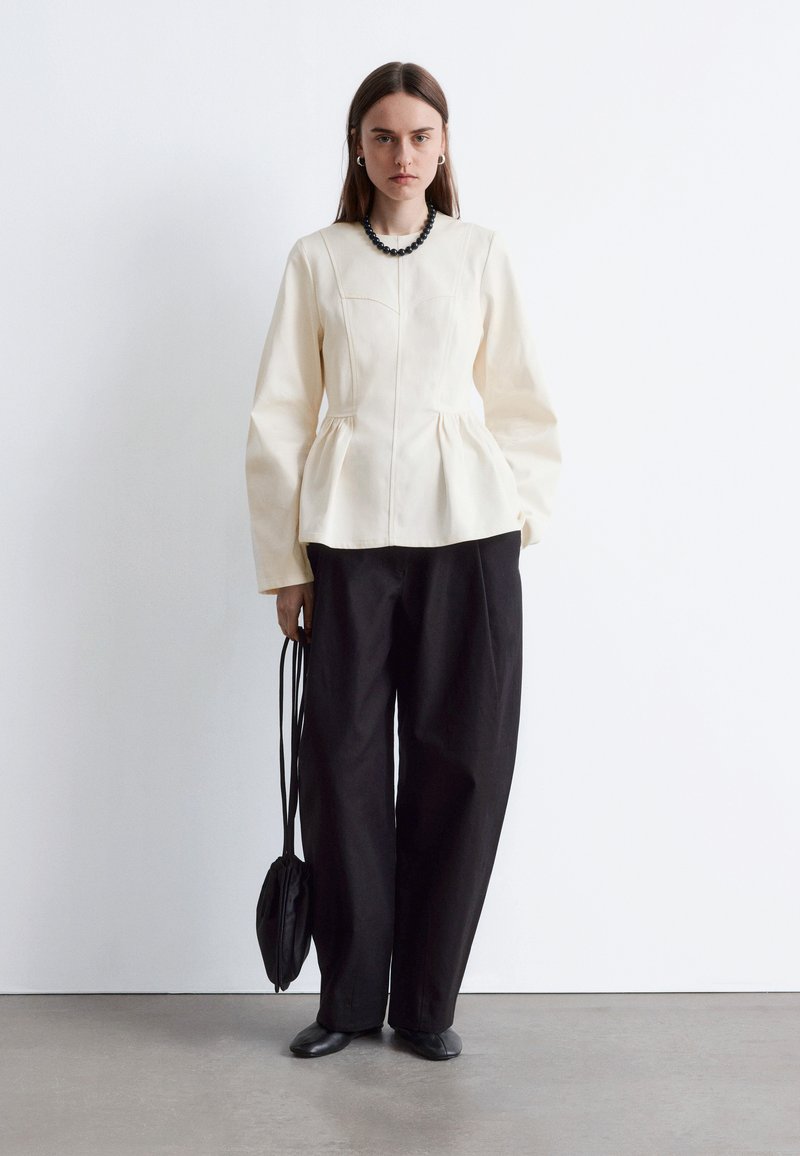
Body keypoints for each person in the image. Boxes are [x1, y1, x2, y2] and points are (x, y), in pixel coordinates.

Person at [245, 61, 561, 1061]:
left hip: (467, 537)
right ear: (357, 146)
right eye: (382, 136)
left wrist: (517, 519)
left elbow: (521, 402)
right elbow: (279, 414)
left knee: (459, 764)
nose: (402, 155)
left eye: (420, 136)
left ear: (444, 144)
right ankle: (348, 1002)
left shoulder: (479, 254)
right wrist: (285, 562)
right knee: (339, 763)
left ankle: (425, 1005)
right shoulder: (317, 259)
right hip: (344, 543)